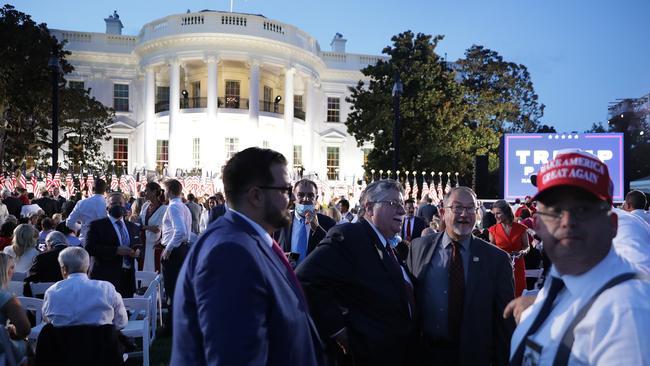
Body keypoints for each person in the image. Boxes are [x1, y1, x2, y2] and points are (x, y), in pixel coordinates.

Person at [172, 147, 325, 366]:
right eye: (284, 189)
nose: (291, 199)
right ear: (256, 195)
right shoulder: (229, 252)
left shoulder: (247, 239)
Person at [509, 149, 650, 365]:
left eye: (583, 209)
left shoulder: (625, 312)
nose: (567, 221)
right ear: (538, 225)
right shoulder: (560, 285)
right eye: (554, 210)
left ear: (612, 225)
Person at [297, 179, 417, 366]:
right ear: (369, 208)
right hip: (365, 355)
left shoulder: (387, 244)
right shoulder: (350, 235)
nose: (402, 210)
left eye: (402, 204)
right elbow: (306, 278)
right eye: (394, 204)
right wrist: (339, 330)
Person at [406, 186, 515, 366]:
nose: (464, 214)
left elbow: (505, 322)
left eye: (470, 208)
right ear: (442, 212)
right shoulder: (418, 248)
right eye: (457, 207)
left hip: (474, 357)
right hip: (426, 354)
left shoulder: (497, 260)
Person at [42, 246, 128, 329]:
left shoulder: (52, 291)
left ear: (64, 269)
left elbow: (47, 320)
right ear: (88, 266)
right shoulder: (106, 288)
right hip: (100, 342)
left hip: (63, 343)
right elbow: (121, 322)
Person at [85, 192, 141, 299]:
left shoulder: (133, 227)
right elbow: (89, 248)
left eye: (120, 203)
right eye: (114, 203)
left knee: (125, 313)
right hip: (105, 277)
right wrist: (116, 250)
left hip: (127, 278)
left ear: (125, 206)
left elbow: (139, 245)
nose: (118, 206)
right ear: (107, 207)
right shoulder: (96, 225)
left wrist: (137, 252)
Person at [274, 179, 336, 267]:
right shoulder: (280, 222)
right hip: (286, 276)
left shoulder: (328, 223)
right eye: (300, 195)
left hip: (314, 279)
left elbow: (333, 252)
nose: (305, 199)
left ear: (316, 199)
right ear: (293, 197)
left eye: (310, 195)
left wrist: (317, 229)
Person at [160, 179, 192, 331]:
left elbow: (181, 231)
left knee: (171, 288)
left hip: (175, 252)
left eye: (165, 190)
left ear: (171, 191)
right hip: (182, 249)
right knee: (178, 288)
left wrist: (169, 248)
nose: (164, 193)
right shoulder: (184, 207)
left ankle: (171, 326)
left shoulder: (173, 207)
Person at [489, 199, 529, 297]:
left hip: (518, 266)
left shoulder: (521, 228)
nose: (495, 216)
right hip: (500, 267)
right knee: (502, 296)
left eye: (498, 213)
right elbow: (491, 250)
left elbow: (527, 246)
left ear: (506, 212)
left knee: (518, 295)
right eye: (494, 213)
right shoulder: (493, 230)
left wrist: (522, 252)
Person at [0, 253, 31, 362]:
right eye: (12, 267)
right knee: (27, 344)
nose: (13, 271)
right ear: (5, 270)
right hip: (2, 349)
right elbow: (24, 329)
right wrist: (12, 330)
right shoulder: (6, 297)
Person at [24, 231, 68, 297]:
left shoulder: (42, 257)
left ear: (49, 242)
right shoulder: (78, 253)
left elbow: (31, 278)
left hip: (45, 297)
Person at [66, 179, 108, 246]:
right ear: (105, 189)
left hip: (86, 240)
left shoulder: (82, 203)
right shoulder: (109, 204)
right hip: (105, 242)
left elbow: (69, 223)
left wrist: (82, 227)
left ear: (93, 188)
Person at [139, 182, 167, 272]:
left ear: (154, 192)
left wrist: (143, 227)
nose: (144, 193)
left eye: (146, 191)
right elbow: (140, 220)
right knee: (142, 267)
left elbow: (157, 229)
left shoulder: (163, 209)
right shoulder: (145, 206)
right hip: (142, 242)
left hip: (154, 244)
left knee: (153, 268)